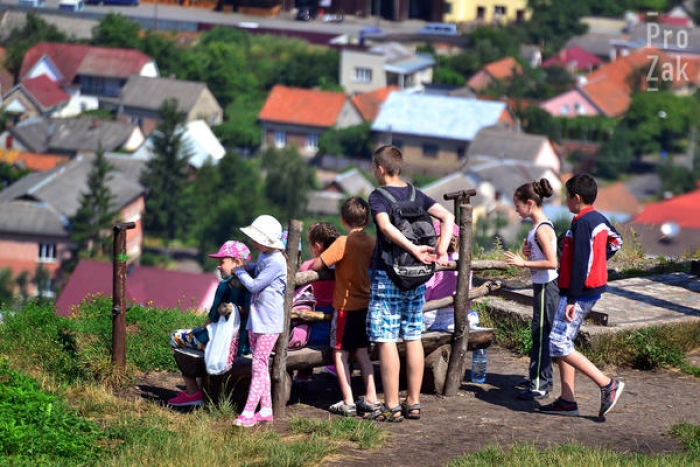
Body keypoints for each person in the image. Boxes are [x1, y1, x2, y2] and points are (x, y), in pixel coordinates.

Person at [367, 145, 455, 422]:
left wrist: (414, 249)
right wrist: (440, 250)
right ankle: (413, 402)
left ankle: (392, 404)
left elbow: (384, 227)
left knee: (387, 338)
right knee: (413, 335)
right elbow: (448, 217)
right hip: (417, 275)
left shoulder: (378, 196)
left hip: (389, 273)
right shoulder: (417, 195)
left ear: (380, 169)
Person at [537, 173, 625, 419]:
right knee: (565, 341)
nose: (565, 201)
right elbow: (617, 242)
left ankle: (608, 384)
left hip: (579, 293)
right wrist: (600, 261)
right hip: (584, 290)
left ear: (576, 198)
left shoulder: (582, 222)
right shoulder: (598, 218)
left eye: (567, 197)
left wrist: (573, 298)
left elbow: (581, 263)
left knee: (557, 343)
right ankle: (567, 400)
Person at [311, 196, 381, 418]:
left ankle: (348, 401)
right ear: (367, 219)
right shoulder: (371, 242)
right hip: (364, 304)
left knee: (339, 353)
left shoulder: (342, 242)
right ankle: (371, 397)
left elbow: (318, 264)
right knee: (361, 351)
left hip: (344, 306)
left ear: (343, 220)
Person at [168, 240, 252, 407]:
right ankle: (202, 387)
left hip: (224, 343)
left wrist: (201, 328)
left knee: (176, 337)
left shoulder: (225, 286)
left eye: (222, 262)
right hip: (246, 345)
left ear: (238, 262)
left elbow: (212, 318)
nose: (219, 266)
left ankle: (193, 392)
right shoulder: (254, 285)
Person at [504, 179, 559, 401]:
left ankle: (540, 384)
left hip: (547, 285)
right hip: (541, 284)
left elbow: (552, 262)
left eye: (518, 205)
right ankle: (538, 377)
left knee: (542, 334)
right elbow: (540, 254)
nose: (516, 210)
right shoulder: (538, 227)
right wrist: (529, 252)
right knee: (539, 333)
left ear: (530, 203)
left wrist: (523, 263)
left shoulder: (542, 229)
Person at [232, 215, 288, 427]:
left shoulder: (276, 260)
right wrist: (249, 267)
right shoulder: (266, 255)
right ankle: (265, 409)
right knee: (261, 365)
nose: (253, 243)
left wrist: (239, 271)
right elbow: (258, 270)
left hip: (269, 321)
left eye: (256, 239)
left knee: (258, 365)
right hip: (258, 318)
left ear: (267, 241)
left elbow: (255, 285)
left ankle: (248, 412)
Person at [294, 222, 340, 385]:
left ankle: (303, 374)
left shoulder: (307, 266)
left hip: (313, 329)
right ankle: (336, 368)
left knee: (303, 328)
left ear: (317, 246)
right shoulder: (341, 266)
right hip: (336, 325)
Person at [423, 220, 461, 333]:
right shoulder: (463, 260)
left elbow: (425, 292)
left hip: (436, 314)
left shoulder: (435, 261)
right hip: (462, 313)